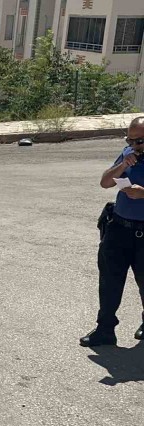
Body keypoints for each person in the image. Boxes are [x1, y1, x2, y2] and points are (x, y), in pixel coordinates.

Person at [81, 116, 144, 347]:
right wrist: (124, 164)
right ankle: (105, 329)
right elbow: (105, 182)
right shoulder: (128, 154)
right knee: (109, 281)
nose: (134, 145)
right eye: (130, 140)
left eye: (139, 141)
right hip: (119, 228)